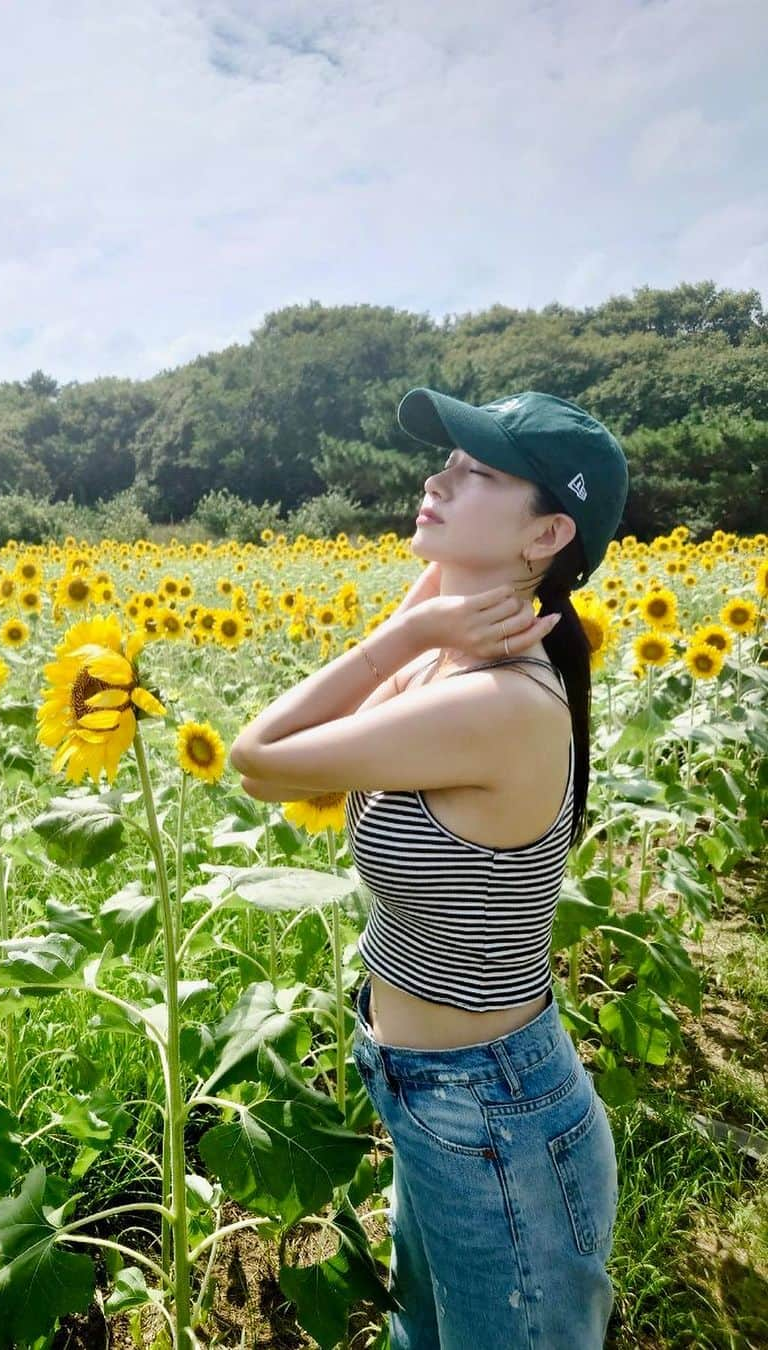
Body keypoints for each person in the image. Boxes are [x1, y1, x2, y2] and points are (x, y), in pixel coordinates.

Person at [230, 388, 629, 1348]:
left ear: (549, 532)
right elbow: (402, 636)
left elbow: (258, 761)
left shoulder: (497, 703)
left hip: (491, 1116)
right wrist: (425, 616)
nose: (435, 478)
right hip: (435, 1093)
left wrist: (410, 633)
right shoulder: (453, 651)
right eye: (446, 460)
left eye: (475, 471)